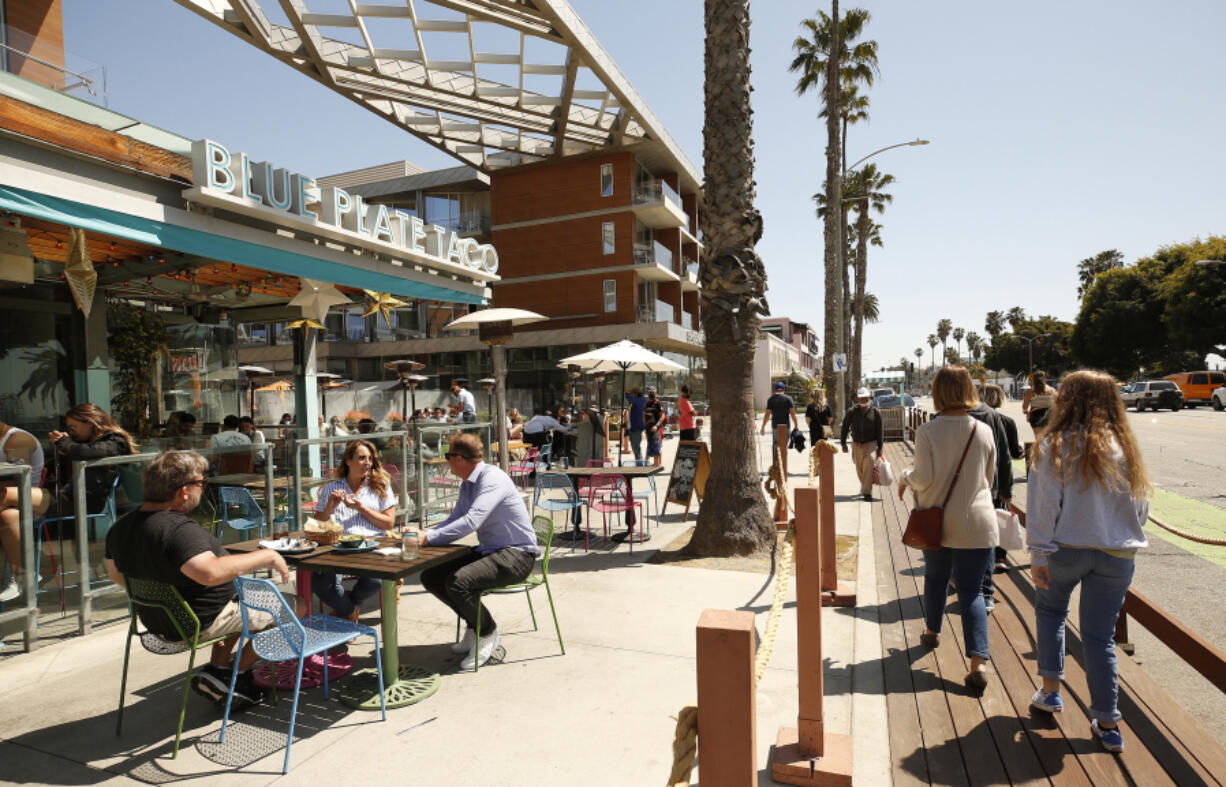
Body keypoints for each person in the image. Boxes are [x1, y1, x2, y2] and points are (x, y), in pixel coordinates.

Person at [104, 450, 303, 711]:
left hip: (160, 623)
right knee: (297, 607)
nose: (203, 488)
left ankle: (218, 669)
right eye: (201, 483)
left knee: (240, 601)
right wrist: (265, 556)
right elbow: (209, 572)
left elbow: (117, 576)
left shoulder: (121, 527)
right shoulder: (177, 529)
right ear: (184, 491)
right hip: (198, 623)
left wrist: (166, 594)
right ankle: (233, 676)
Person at [1027, 370, 1150, 752]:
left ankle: (1050, 692)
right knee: (1100, 638)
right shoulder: (1125, 444)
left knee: (1051, 614)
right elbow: (1141, 507)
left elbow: (1044, 505)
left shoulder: (1054, 444)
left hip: (1065, 548)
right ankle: (1108, 721)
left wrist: (1039, 551)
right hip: (1116, 553)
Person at [897, 366, 998, 688]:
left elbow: (923, 479)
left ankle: (931, 632)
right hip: (978, 520)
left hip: (937, 521)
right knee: (971, 591)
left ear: (938, 392)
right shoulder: (983, 430)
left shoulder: (928, 430)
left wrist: (904, 476)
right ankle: (978, 662)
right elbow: (989, 480)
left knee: (936, 578)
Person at [418, 433, 540, 670]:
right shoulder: (469, 483)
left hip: (517, 555)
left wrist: (429, 538)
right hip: (491, 551)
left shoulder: (491, 479)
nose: (447, 462)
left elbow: (472, 521)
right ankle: (474, 626)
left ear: (460, 458)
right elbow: (456, 519)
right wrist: (423, 534)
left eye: (448, 456)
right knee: (431, 576)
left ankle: (487, 633)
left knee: (458, 582)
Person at [312, 440, 398, 620]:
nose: (367, 463)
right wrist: (329, 508)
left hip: (371, 546)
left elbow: (388, 523)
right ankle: (350, 612)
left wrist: (361, 508)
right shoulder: (332, 488)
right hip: (338, 547)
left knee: (375, 580)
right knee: (320, 583)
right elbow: (318, 523)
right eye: (361, 458)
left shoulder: (381, 485)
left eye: (370, 459)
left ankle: (348, 606)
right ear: (348, 461)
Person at [45, 403, 136, 521]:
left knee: (14, 495)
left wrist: (66, 444)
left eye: (73, 428)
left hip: (79, 501)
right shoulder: (82, 443)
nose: (71, 432)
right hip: (65, 496)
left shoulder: (116, 442)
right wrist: (65, 446)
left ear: (89, 423)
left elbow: (88, 452)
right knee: (12, 514)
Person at [0, 421, 48, 602]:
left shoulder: (17, 440)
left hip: (30, 498)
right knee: (7, 516)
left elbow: (16, 480)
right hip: (10, 507)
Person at [982, 383, 1024, 574]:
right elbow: (1013, 453)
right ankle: (1000, 556)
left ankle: (984, 555)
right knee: (1001, 514)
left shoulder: (975, 419)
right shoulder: (1007, 421)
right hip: (1001, 476)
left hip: (982, 476)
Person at [839, 387, 884, 501]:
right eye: (861, 399)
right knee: (859, 468)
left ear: (869, 398)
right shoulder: (852, 412)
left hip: (871, 443)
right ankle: (865, 486)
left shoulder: (875, 412)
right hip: (857, 444)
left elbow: (880, 430)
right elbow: (845, 427)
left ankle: (867, 492)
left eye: (865, 398)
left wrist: (880, 447)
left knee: (868, 464)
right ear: (858, 399)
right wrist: (843, 443)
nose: (863, 401)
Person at [760, 382, 800, 478]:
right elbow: (793, 413)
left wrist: (763, 427)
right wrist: (796, 425)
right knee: (783, 446)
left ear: (775, 389)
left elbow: (767, 414)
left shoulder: (771, 399)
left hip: (775, 426)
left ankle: (776, 467)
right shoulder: (788, 399)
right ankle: (783, 468)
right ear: (784, 389)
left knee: (775, 445)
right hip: (786, 426)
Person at [643, 387, 667, 467]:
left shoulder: (658, 403)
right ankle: (655, 463)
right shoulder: (647, 403)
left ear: (655, 393)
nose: (651, 393)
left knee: (658, 444)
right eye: (650, 392)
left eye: (652, 392)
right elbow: (644, 414)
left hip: (657, 427)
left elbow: (662, 416)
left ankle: (658, 464)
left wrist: (657, 426)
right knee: (650, 443)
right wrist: (645, 424)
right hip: (648, 427)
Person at [624, 387, 648, 461]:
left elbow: (629, 398)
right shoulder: (635, 402)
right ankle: (638, 463)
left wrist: (627, 393)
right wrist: (626, 424)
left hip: (637, 428)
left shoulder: (640, 400)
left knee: (636, 448)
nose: (631, 395)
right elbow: (633, 415)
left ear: (636, 394)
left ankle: (640, 465)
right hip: (632, 427)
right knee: (634, 447)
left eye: (632, 394)